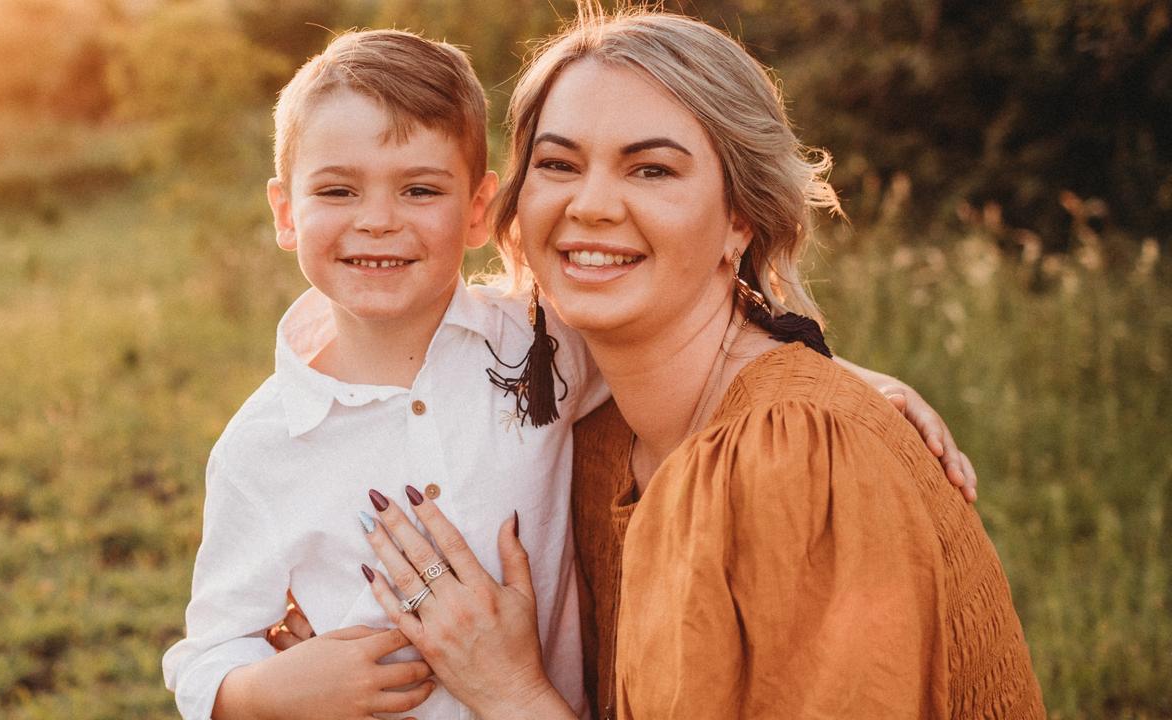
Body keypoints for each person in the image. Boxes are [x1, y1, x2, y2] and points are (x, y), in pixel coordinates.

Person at [341, 7, 1046, 720]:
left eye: (651, 169)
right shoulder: (588, 433)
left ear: (740, 216)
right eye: (558, 165)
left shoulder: (797, 460)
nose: (590, 205)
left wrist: (509, 692)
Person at [161, 29, 610, 720]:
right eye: (338, 190)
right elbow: (208, 653)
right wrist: (269, 690)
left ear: (479, 211)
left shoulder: (546, 341)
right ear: (286, 213)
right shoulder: (263, 446)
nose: (377, 221)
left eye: (420, 189)